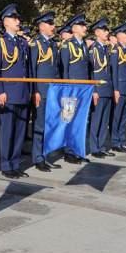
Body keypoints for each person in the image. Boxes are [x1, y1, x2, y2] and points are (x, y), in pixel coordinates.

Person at [0, 4, 31, 179]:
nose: (18, 21)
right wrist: (0, 91)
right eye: (14, 18)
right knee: (7, 130)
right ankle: (6, 165)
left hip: (22, 92)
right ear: (5, 22)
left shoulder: (22, 42)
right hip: (8, 92)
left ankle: (15, 163)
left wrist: (30, 90)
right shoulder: (0, 42)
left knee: (20, 130)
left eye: (18, 18)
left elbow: (27, 69)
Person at [29, 11, 62, 172]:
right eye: (50, 24)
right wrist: (34, 90)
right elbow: (32, 70)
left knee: (50, 126)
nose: (53, 27)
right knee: (40, 125)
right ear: (42, 26)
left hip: (52, 91)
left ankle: (46, 155)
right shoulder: (36, 44)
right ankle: (38, 157)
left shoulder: (53, 44)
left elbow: (55, 70)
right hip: (40, 91)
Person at [59, 14, 91, 164]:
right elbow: (64, 69)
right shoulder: (67, 44)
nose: (86, 28)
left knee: (80, 120)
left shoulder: (83, 44)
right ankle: (69, 152)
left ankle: (78, 150)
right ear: (75, 28)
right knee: (69, 120)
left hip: (83, 88)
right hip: (71, 88)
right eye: (82, 25)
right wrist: (66, 88)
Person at [88, 17, 114, 159]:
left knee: (104, 120)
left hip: (107, 88)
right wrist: (94, 90)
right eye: (104, 30)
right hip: (98, 89)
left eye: (107, 30)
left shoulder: (105, 49)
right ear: (97, 32)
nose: (107, 32)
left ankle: (102, 146)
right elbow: (91, 71)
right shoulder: (93, 49)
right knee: (96, 119)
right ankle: (94, 147)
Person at [109, 23, 126, 153]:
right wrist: (115, 89)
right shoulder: (115, 50)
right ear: (120, 35)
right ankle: (115, 141)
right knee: (117, 116)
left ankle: (123, 141)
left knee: (124, 117)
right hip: (119, 87)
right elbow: (113, 71)